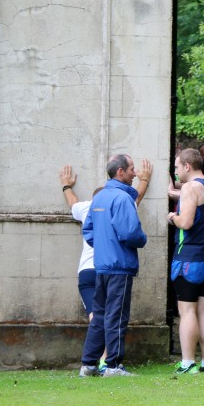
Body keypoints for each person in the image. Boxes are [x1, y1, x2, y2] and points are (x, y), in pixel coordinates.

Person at [78, 155, 149, 377]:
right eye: (131, 169)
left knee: (99, 315)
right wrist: (142, 239)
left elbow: (88, 232)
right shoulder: (122, 198)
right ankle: (113, 365)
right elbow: (130, 233)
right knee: (117, 315)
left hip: (101, 266)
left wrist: (103, 244)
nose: (135, 173)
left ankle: (88, 365)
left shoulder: (98, 199)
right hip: (119, 265)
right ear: (120, 171)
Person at [167, 149, 204, 374]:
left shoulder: (191, 187)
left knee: (187, 311)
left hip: (190, 258)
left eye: (177, 166)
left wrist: (172, 217)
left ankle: (188, 362)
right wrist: (175, 192)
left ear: (187, 166)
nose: (176, 170)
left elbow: (186, 222)